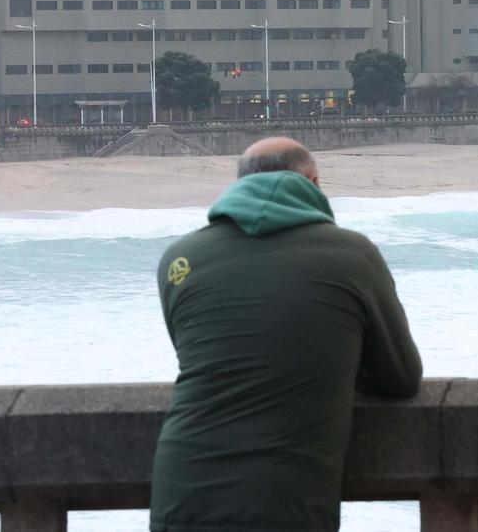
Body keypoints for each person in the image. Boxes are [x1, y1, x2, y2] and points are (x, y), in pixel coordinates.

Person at [150, 137, 423, 532]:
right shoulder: (353, 255)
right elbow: (399, 377)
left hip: (181, 492)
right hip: (288, 498)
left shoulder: (179, 259)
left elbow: (202, 356)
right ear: (313, 181)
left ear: (239, 182)